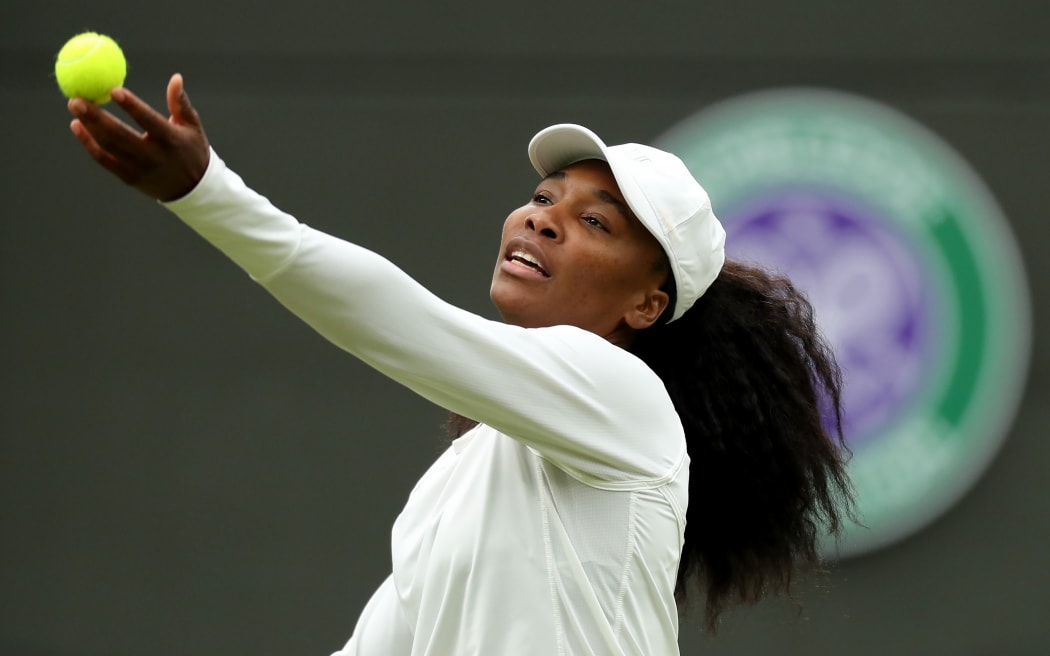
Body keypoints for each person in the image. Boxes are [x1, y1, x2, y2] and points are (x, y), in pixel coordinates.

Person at [66, 73, 855, 655]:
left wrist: (209, 194)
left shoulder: (627, 397)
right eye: (544, 197)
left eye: (594, 222)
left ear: (646, 305)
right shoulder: (458, 479)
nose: (544, 221)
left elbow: (397, 318)